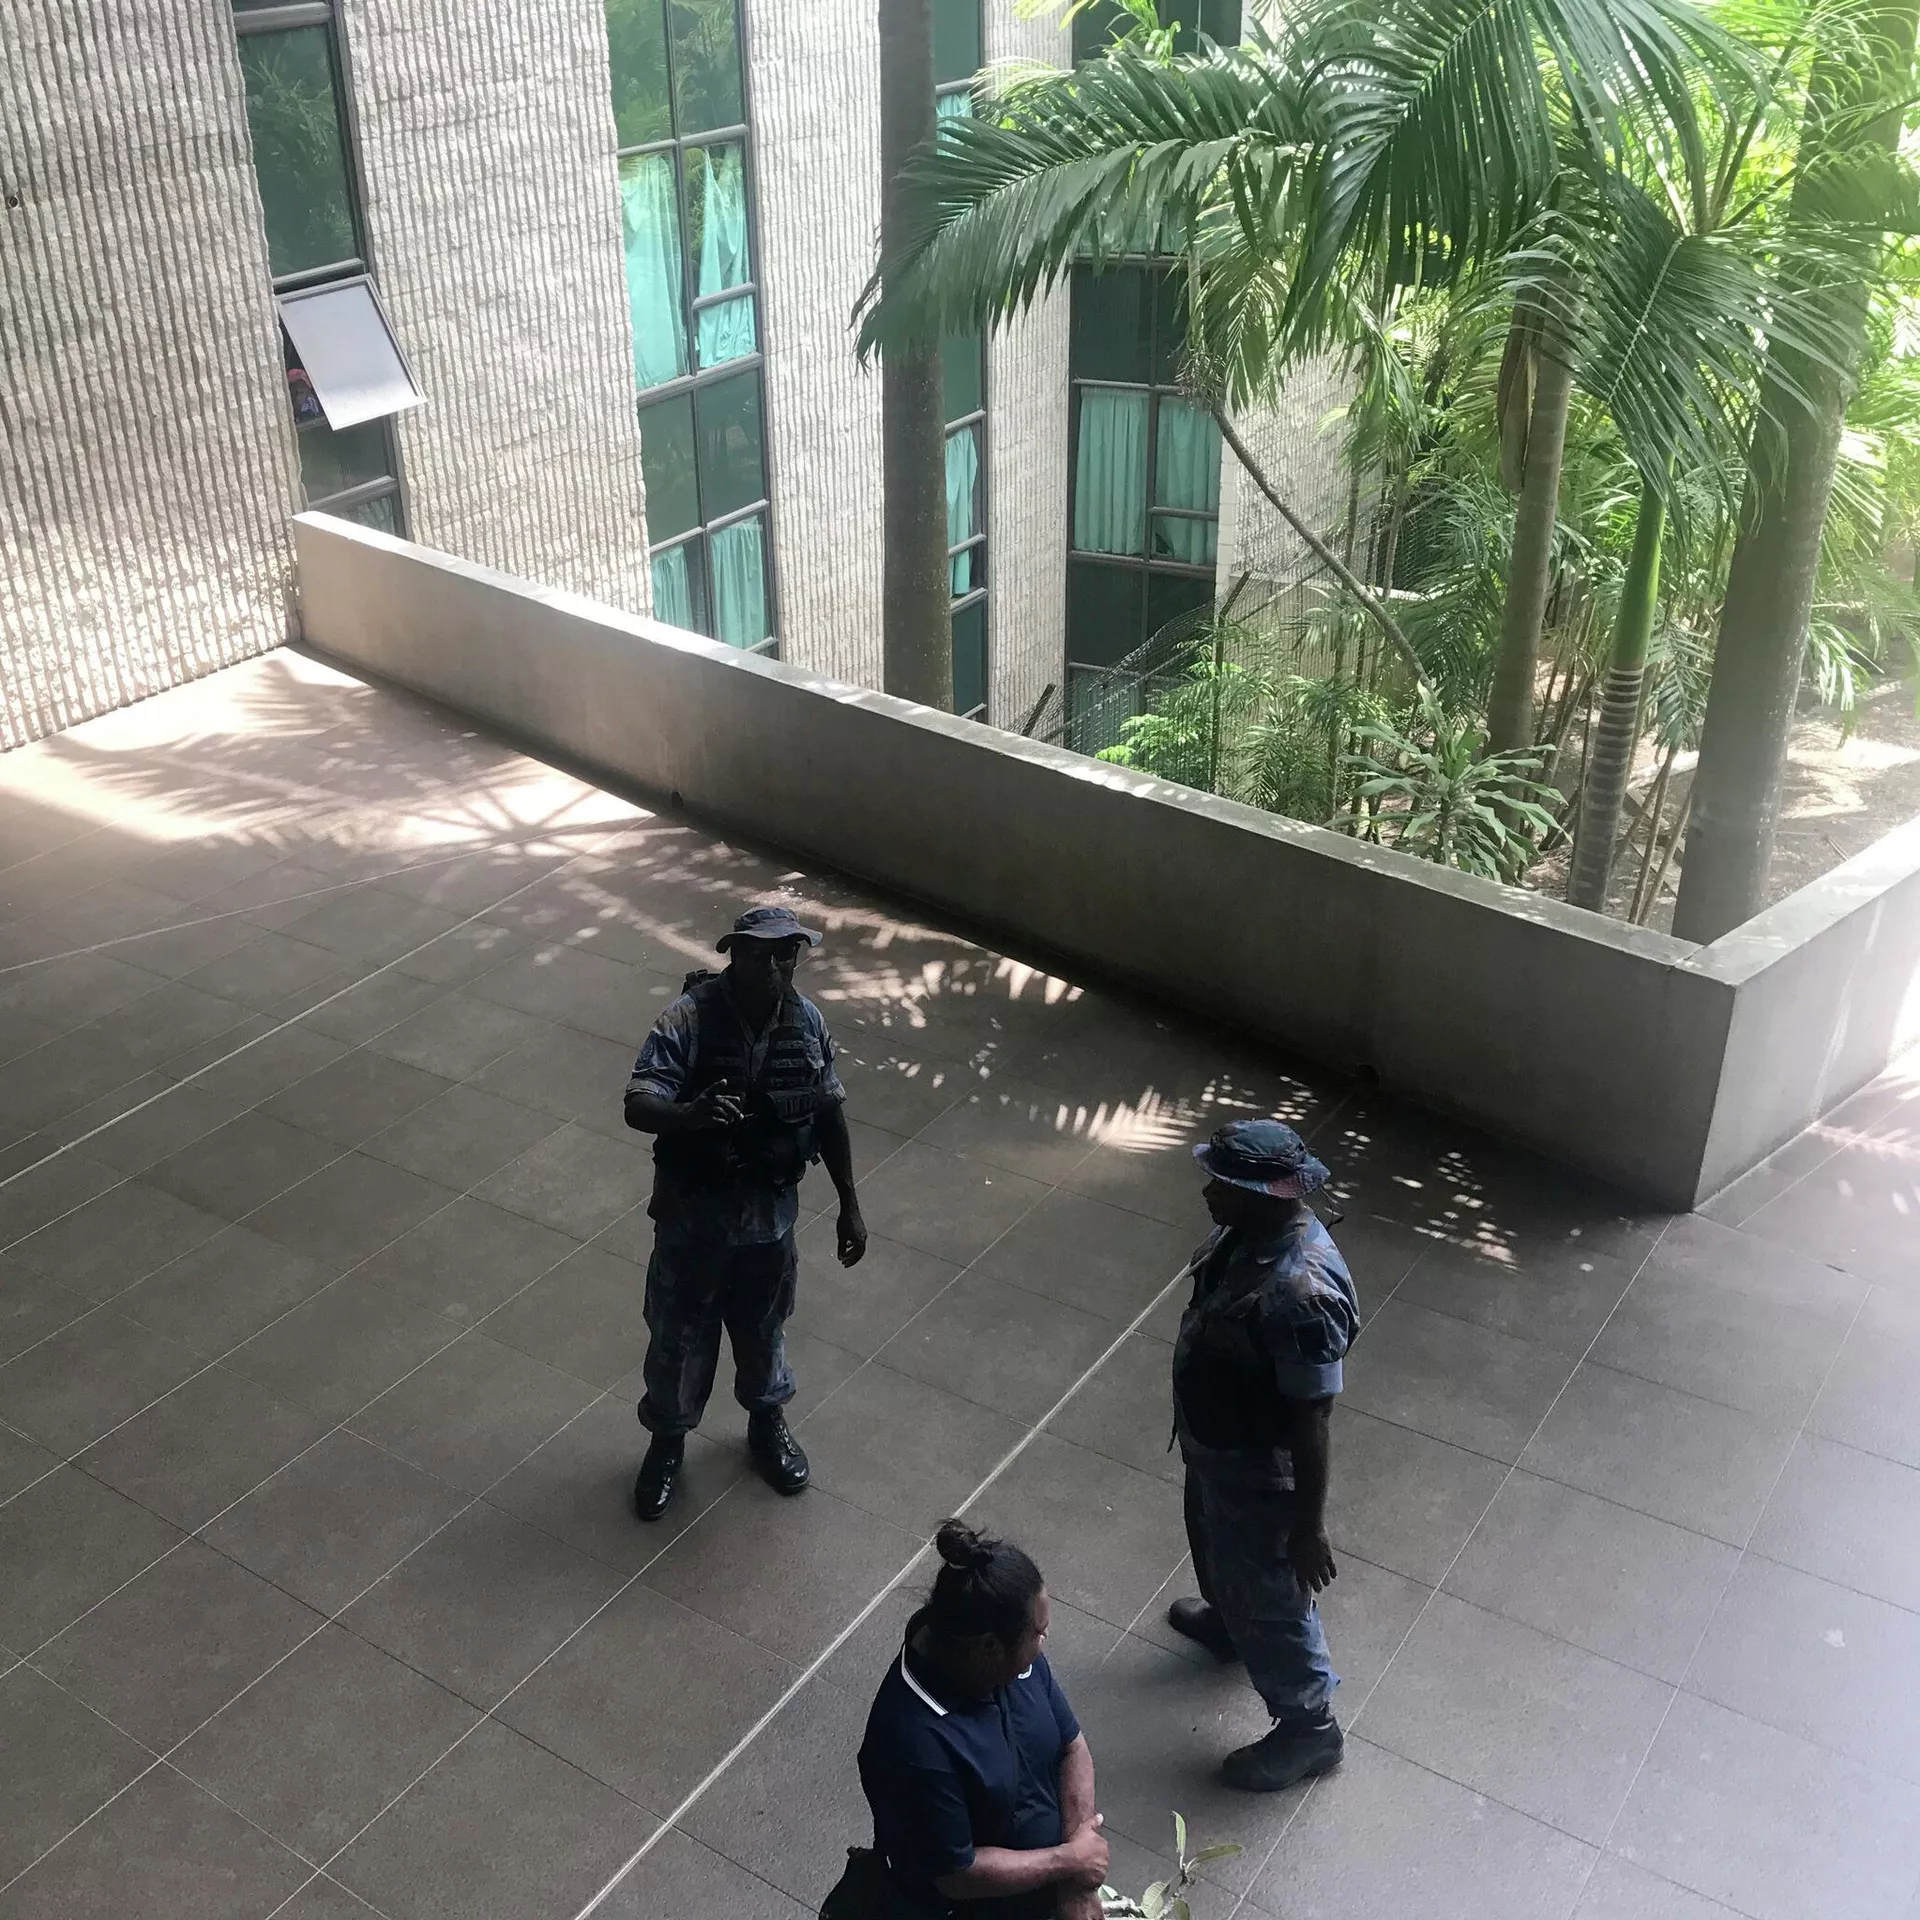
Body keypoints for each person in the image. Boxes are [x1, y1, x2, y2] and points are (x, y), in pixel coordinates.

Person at [623, 903, 867, 1520]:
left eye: (787, 955)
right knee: (678, 1336)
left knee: (764, 1328)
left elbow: (829, 1110)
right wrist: (689, 1115)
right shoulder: (689, 1018)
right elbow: (638, 1101)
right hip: (693, 1220)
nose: (776, 967)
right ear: (735, 954)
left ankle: (766, 1424)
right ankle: (667, 1442)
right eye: (762, 955)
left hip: (768, 1221)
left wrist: (849, 1205)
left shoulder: (806, 1021)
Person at [1164, 1118, 1359, 1792]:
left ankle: (1310, 1730)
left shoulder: (1303, 1293)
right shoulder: (1245, 1232)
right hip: (1218, 1446)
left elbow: (1312, 1418)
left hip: (1259, 1474)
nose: (1208, 1193)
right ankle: (1228, 1620)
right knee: (1214, 1545)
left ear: (1267, 1195)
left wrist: (1307, 1526)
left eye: (1223, 1184)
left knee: (1273, 1599)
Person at [849, 1522, 1109, 1920]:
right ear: (990, 1649)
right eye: (1038, 1632)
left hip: (1054, 1884)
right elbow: (958, 1874)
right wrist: (1070, 1861)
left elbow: (1072, 1747)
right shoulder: (914, 1740)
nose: (1045, 1640)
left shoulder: (1013, 1662)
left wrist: (1075, 1879)